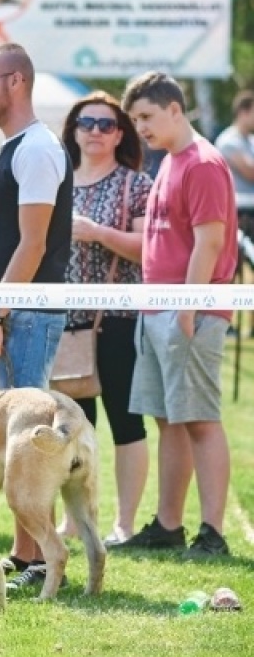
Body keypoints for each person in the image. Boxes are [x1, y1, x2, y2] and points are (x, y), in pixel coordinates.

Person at [0, 42, 72, 592]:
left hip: (25, 314)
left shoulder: (39, 148)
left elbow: (32, 245)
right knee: (13, 443)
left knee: (29, 444)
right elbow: (3, 248)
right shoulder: (12, 148)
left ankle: (43, 559)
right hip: (8, 312)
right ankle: (25, 556)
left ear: (17, 81)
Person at [110, 71, 237, 559]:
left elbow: (211, 241)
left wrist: (188, 305)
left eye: (146, 116)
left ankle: (213, 533)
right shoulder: (169, 161)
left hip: (190, 311)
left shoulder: (203, 162)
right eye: (135, 119)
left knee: (200, 419)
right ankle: (168, 525)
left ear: (175, 109)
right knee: (168, 419)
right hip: (155, 308)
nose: (140, 127)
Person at [57, 92, 151, 547]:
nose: (95, 131)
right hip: (63, 320)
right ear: (73, 131)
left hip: (118, 318)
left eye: (106, 124)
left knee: (126, 423)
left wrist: (97, 233)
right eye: (86, 123)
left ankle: (124, 523)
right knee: (73, 428)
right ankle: (75, 521)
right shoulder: (57, 182)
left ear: (119, 135)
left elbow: (146, 249)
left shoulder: (137, 185)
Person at [212, 90, 254, 238]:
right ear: (243, 112)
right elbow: (250, 172)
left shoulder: (251, 140)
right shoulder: (227, 141)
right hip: (240, 210)